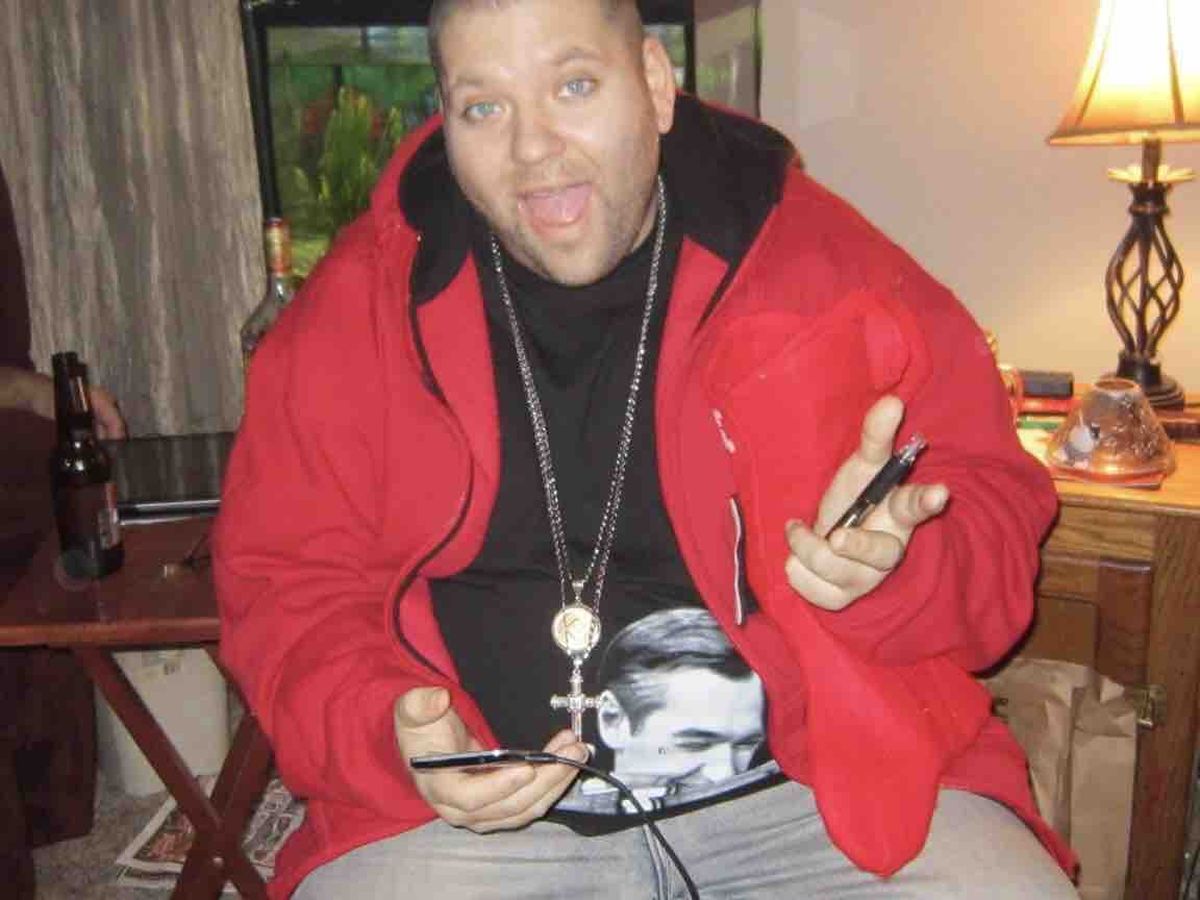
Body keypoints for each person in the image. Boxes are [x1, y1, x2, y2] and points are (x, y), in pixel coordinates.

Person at [214, 1, 1078, 897]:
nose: (532, 149)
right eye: (485, 107)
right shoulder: (356, 309)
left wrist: (898, 574)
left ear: (656, 86)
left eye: (574, 86)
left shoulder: (817, 263)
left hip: (817, 793)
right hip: (469, 828)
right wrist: (387, 729)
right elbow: (283, 586)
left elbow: (989, 511)